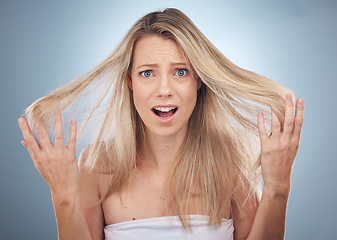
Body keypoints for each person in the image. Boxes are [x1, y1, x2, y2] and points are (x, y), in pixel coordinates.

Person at [18, 8, 304, 240]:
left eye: (180, 71)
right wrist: (63, 195)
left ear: (198, 80)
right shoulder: (96, 166)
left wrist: (278, 186)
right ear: (129, 81)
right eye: (147, 73)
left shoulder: (230, 161)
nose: (164, 89)